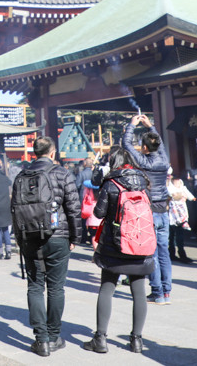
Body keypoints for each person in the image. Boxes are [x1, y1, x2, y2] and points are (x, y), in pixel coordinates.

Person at [14, 136, 82, 357]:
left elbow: (14, 210)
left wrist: (19, 240)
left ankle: (41, 340)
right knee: (56, 287)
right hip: (58, 236)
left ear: (35, 153)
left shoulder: (21, 175)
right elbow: (73, 208)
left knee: (35, 286)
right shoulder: (62, 173)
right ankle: (54, 336)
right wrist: (75, 237)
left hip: (29, 238)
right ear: (52, 153)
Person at [83, 146, 154, 354]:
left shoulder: (111, 182)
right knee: (139, 293)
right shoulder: (144, 182)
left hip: (114, 245)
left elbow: (99, 212)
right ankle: (137, 340)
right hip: (140, 243)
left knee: (107, 288)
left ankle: (101, 338)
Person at [120, 114, 172, 305]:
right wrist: (151, 126)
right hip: (164, 209)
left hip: (149, 209)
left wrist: (132, 125)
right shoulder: (164, 160)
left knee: (152, 253)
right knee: (164, 252)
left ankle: (157, 291)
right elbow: (161, 145)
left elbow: (126, 146)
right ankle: (167, 292)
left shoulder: (143, 161)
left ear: (144, 148)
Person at [167, 172, 195, 263]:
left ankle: (181, 254)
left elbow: (188, 194)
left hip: (181, 215)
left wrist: (191, 197)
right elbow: (172, 196)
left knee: (179, 236)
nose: (177, 182)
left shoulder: (183, 188)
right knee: (171, 236)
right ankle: (172, 254)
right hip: (171, 215)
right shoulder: (169, 187)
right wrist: (180, 195)